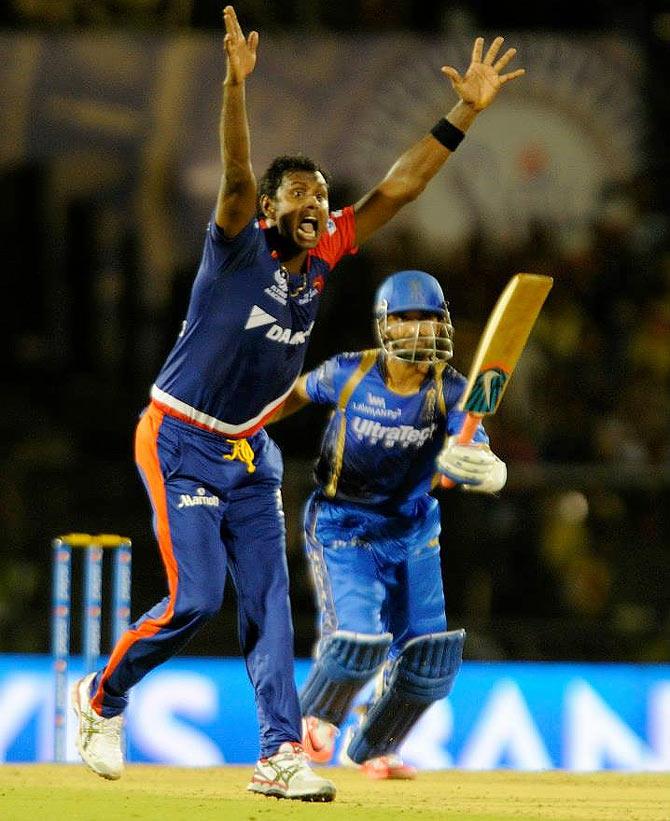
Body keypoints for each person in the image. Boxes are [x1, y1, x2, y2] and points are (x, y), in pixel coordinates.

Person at [70, 4, 523, 801]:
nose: (318, 204)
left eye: (321, 193)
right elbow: (239, 172)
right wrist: (234, 88)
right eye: (301, 195)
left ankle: (279, 751)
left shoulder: (326, 252)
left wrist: (464, 113)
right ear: (271, 208)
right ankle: (102, 696)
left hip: (250, 448)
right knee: (195, 598)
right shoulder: (237, 239)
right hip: (178, 435)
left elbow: (400, 187)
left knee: (273, 606)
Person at [271, 270, 507, 779]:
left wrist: (487, 467)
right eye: (406, 318)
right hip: (344, 525)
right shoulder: (349, 373)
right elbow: (293, 395)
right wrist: (237, 431)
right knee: (357, 640)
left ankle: (376, 744)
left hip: (413, 528)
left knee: (429, 660)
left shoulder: (451, 390)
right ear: (384, 324)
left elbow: (472, 446)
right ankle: (315, 719)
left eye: (428, 318)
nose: (419, 330)